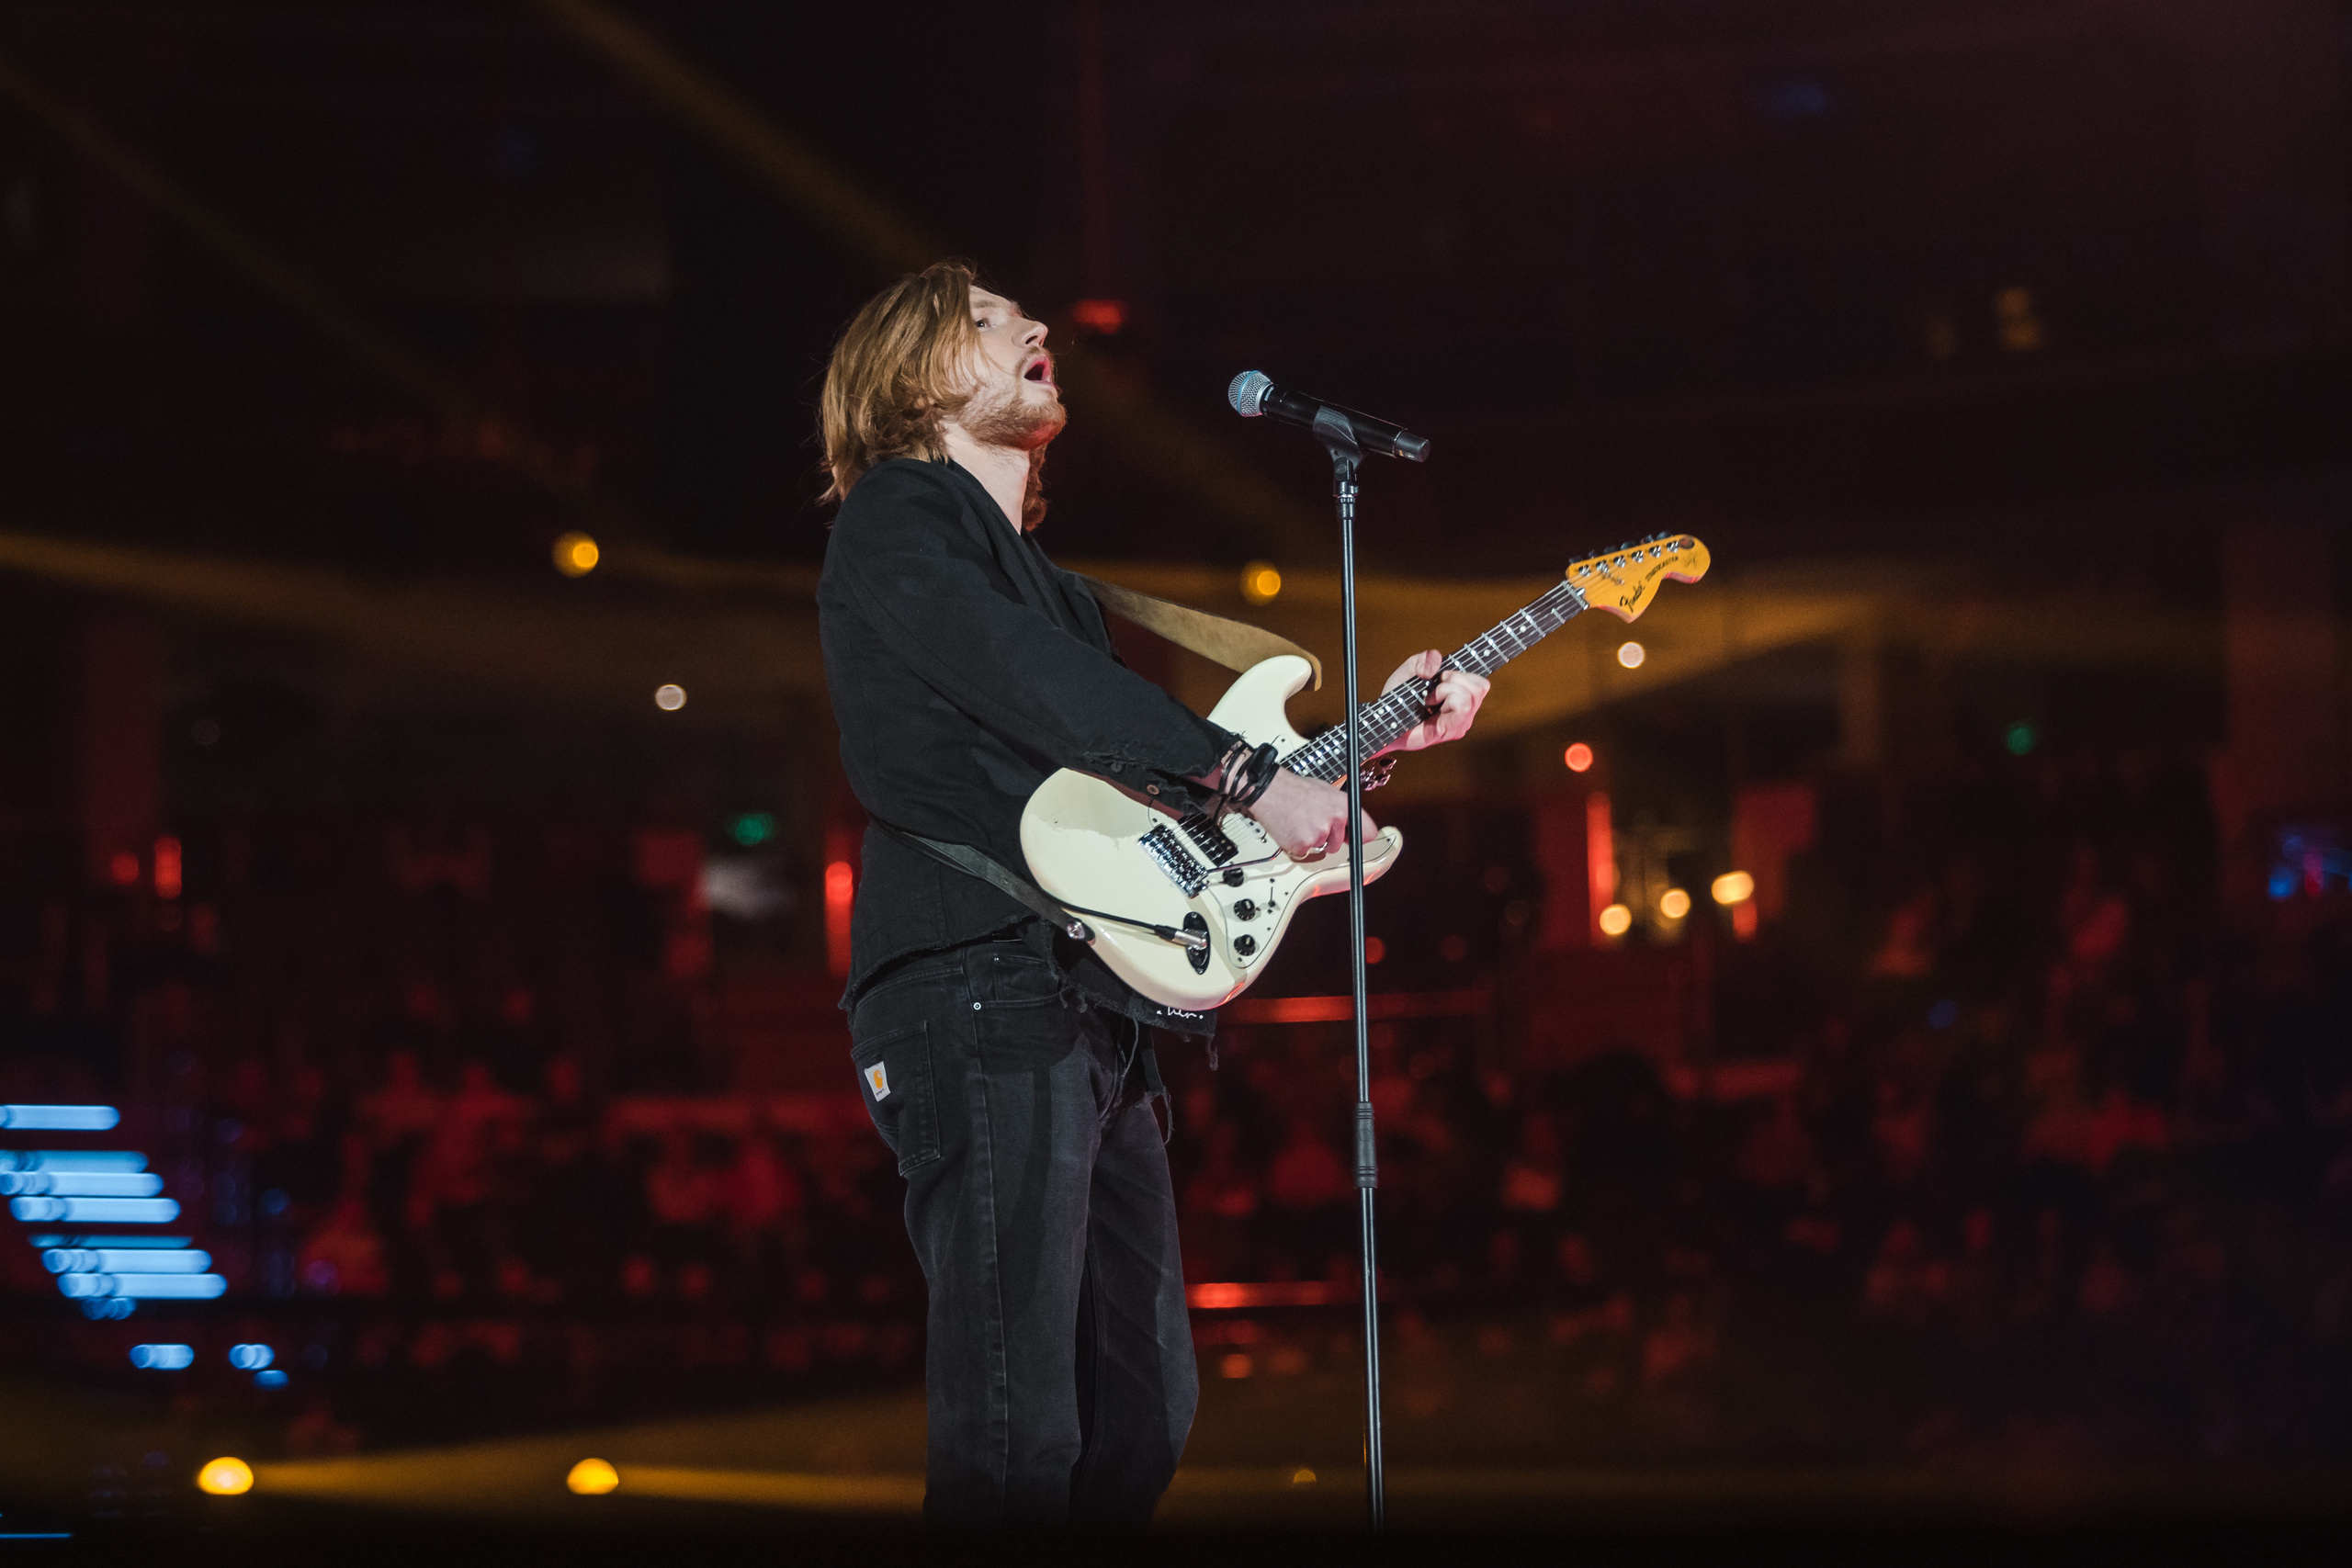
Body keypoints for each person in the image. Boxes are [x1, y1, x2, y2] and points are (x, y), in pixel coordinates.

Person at [815, 260, 1488, 1525]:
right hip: (973, 979)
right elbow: (1019, 675)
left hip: (1090, 995)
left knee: (1140, 1407)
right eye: (989, 318)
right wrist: (1241, 772)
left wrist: (1381, 745)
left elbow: (1155, 804)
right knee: (1016, 1422)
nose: (1036, 326)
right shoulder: (900, 517)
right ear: (913, 376)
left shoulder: (1059, 591)